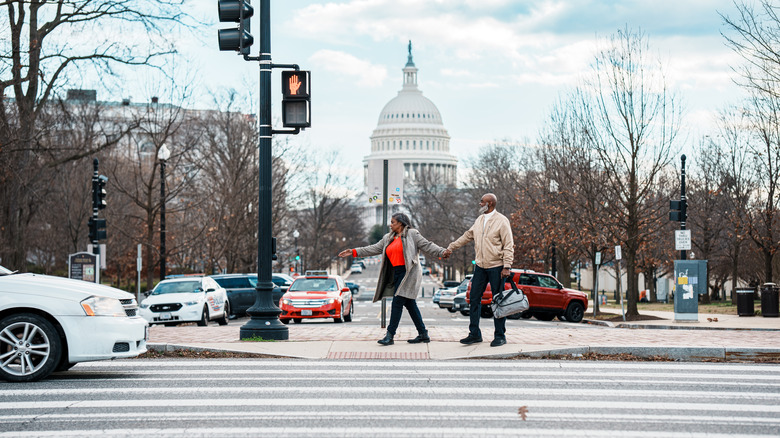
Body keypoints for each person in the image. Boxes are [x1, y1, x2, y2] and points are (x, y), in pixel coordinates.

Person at [338, 213, 447, 345]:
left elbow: (427, 245)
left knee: (397, 303)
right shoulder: (388, 238)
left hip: (409, 273)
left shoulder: (412, 234)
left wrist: (442, 252)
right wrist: (354, 251)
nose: (391, 225)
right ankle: (423, 333)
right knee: (410, 304)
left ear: (401, 223)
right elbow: (373, 248)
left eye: (393, 222)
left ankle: (390, 335)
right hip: (396, 273)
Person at [443, 193, 514, 347]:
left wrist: (507, 266)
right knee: (474, 298)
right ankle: (474, 334)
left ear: (490, 204)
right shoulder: (479, 220)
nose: (479, 203)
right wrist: (451, 247)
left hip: (497, 266)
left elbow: (508, 244)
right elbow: (468, 235)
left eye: (482, 201)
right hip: (480, 266)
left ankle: (500, 336)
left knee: (498, 302)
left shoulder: (502, 221)